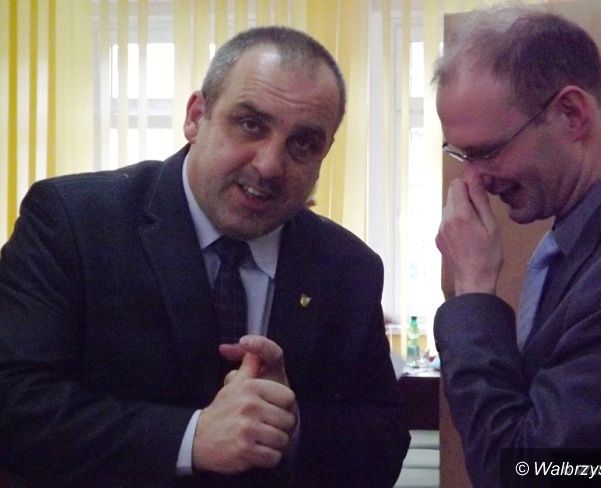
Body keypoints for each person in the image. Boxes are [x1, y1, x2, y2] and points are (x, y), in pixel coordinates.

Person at [0, 26, 409, 487]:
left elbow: (383, 443)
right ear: (196, 117)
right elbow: (15, 405)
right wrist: (190, 438)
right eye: (251, 124)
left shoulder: (347, 267)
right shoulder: (74, 221)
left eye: (303, 143)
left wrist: (289, 426)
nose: (269, 165)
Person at [432, 7, 601, 487]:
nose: (475, 179)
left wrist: (473, 291)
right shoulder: (594, 244)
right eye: (462, 155)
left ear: (572, 114)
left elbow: (522, 473)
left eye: (487, 152)